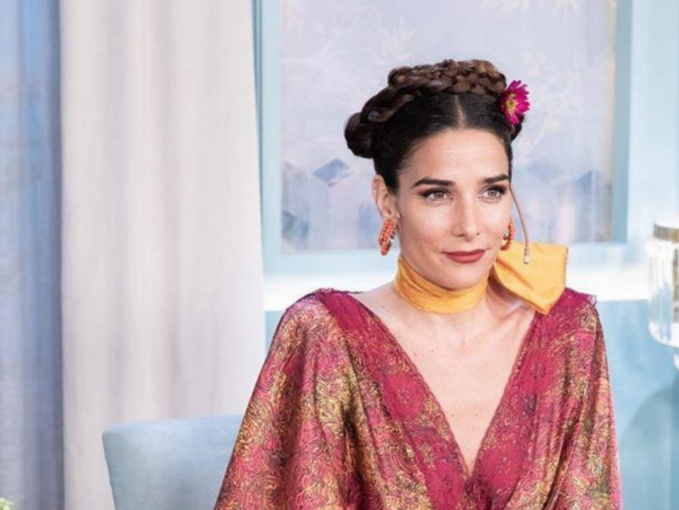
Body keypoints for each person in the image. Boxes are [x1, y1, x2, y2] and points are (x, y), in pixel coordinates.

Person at [213, 58, 622, 510]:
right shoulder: (327, 338)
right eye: (437, 194)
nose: (470, 226)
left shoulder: (568, 331)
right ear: (386, 200)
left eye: (491, 191)